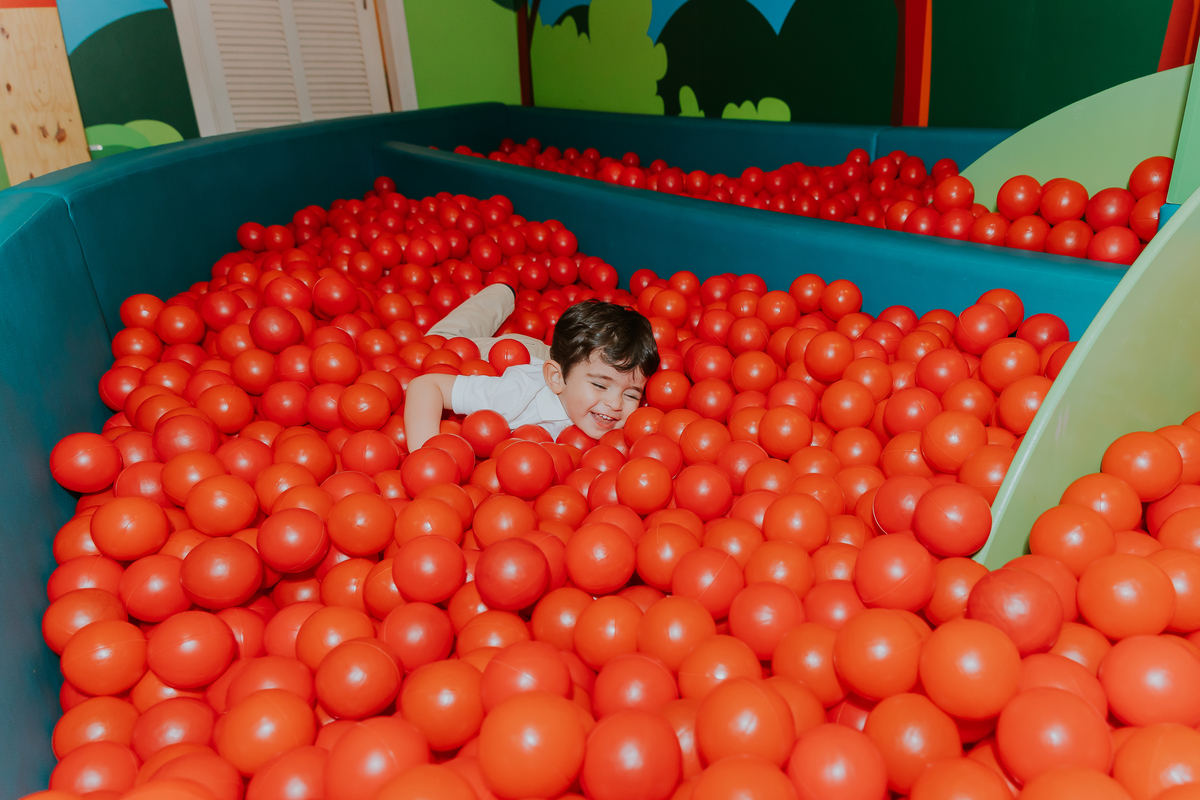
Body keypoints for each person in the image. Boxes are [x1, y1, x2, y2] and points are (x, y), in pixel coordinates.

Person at [404, 284, 660, 451]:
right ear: (556, 378)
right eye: (600, 385)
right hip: (511, 351)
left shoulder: (613, 417)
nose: (616, 404)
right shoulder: (514, 396)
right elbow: (426, 385)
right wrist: (426, 455)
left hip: (565, 364)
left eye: (631, 394)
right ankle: (503, 292)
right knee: (438, 342)